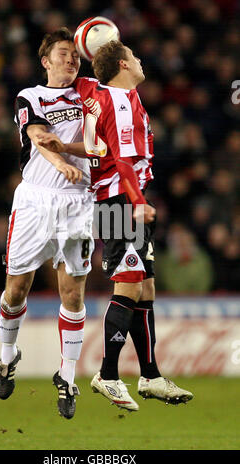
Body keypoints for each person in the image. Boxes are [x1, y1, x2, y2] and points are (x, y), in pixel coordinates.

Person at [39, 40, 193, 410]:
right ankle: (107, 374)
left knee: (146, 287)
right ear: (124, 65)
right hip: (121, 201)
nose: (141, 61)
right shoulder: (120, 102)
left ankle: (151, 375)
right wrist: (139, 203)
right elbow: (122, 162)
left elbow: (98, 148)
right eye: (136, 57)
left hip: (123, 197)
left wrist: (65, 147)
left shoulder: (97, 92)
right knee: (128, 286)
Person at [0, 28, 94, 420]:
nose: (71, 59)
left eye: (75, 55)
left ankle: (68, 378)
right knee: (17, 287)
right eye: (63, 54)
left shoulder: (92, 95)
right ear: (45, 61)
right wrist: (61, 163)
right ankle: (6, 357)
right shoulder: (31, 96)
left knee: (73, 294)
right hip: (36, 198)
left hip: (80, 202)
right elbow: (38, 135)